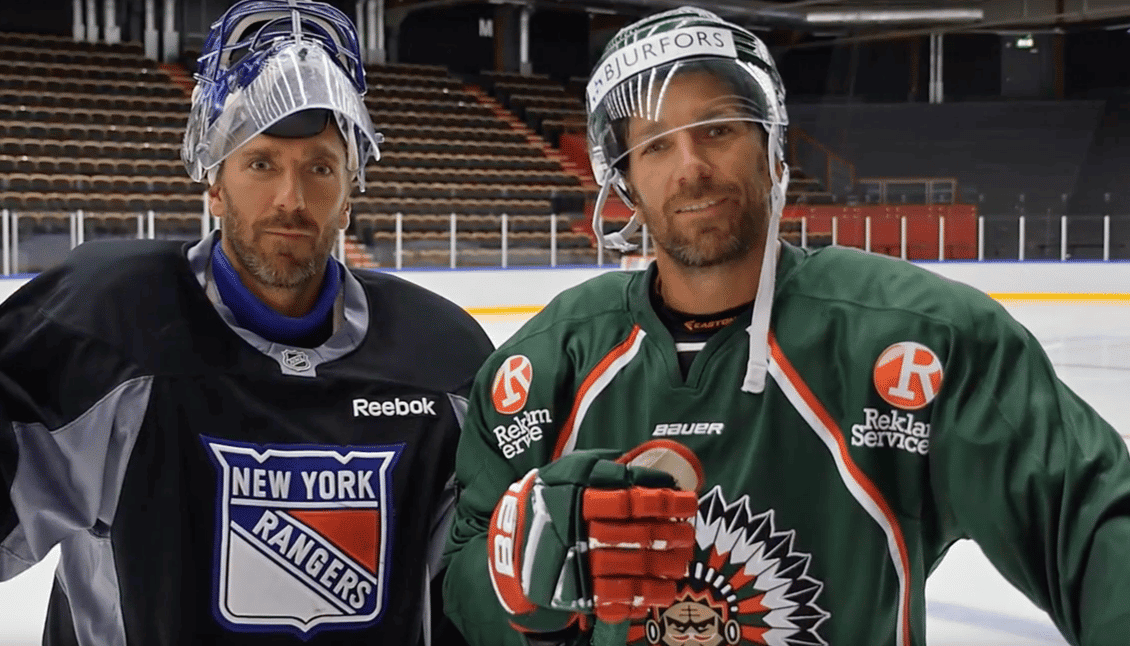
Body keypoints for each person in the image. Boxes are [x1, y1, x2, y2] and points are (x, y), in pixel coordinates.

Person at [443, 7, 1130, 646]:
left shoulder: (923, 340)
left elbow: (1091, 526)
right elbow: (460, 576)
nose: (691, 168)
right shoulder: (546, 361)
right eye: (654, 145)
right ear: (622, 181)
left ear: (771, 149)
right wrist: (510, 585)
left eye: (717, 128)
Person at [0, 1, 491, 644]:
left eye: (320, 168)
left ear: (351, 189)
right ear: (214, 185)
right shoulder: (107, 321)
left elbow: (475, 583)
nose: (290, 200)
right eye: (262, 163)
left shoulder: (440, 357)